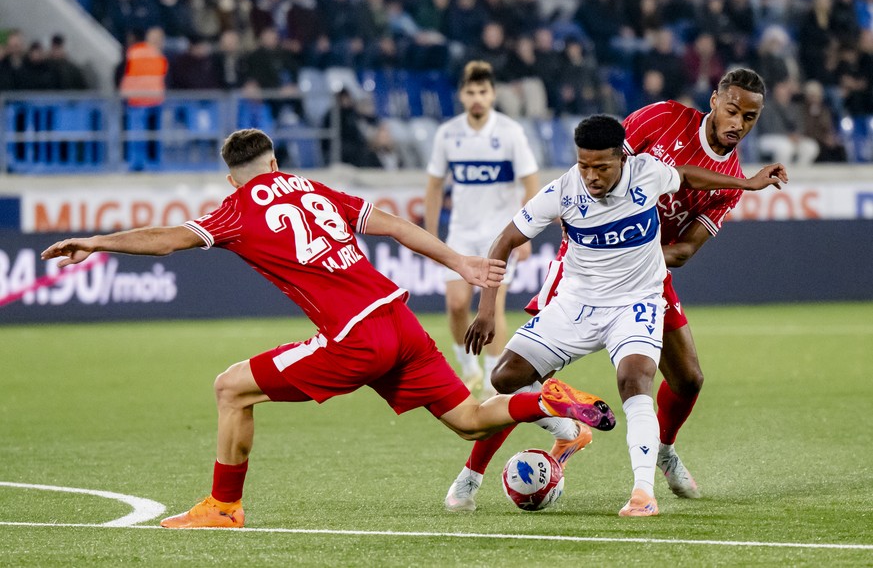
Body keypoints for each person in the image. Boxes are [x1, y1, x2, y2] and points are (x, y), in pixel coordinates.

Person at [40, 128, 616, 529]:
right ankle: (541, 401)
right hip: (398, 318)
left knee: (230, 387)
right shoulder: (313, 189)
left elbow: (167, 238)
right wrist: (462, 262)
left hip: (355, 337)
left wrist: (97, 241)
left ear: (231, 175)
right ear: (274, 160)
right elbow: (391, 225)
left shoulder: (236, 209)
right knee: (468, 421)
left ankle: (222, 505)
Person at [444, 68, 772, 513]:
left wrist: (636, 249)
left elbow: (684, 247)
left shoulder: (717, 179)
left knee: (687, 378)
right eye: (732, 110)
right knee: (510, 377)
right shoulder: (660, 120)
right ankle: (478, 471)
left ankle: (660, 454)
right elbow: (599, 167)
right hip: (580, 270)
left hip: (644, 275)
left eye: (749, 118)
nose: (738, 123)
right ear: (715, 100)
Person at [423, 60, 540, 397]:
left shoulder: (510, 133)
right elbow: (433, 187)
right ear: (461, 95)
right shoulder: (448, 134)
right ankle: (468, 366)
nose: (477, 98)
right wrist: (431, 235)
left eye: (483, 91)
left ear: (492, 95)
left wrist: (525, 231)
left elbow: (531, 182)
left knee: (493, 305)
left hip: (499, 236)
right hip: (461, 232)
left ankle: (492, 375)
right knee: (457, 304)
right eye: (471, 91)